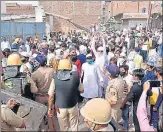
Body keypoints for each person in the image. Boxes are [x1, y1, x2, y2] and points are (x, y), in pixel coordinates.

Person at [48, 59, 80, 131]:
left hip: (60, 107)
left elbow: (51, 96)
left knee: (63, 128)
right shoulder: (75, 76)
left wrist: (50, 108)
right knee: (74, 126)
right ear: (70, 67)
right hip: (73, 105)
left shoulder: (55, 77)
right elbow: (81, 89)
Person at [119, 65, 133, 131]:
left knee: (125, 113)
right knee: (123, 111)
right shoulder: (121, 76)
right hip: (121, 97)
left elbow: (129, 90)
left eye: (122, 70)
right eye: (120, 70)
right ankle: (124, 123)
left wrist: (125, 100)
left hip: (126, 98)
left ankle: (125, 127)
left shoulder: (129, 78)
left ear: (126, 71)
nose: (120, 72)